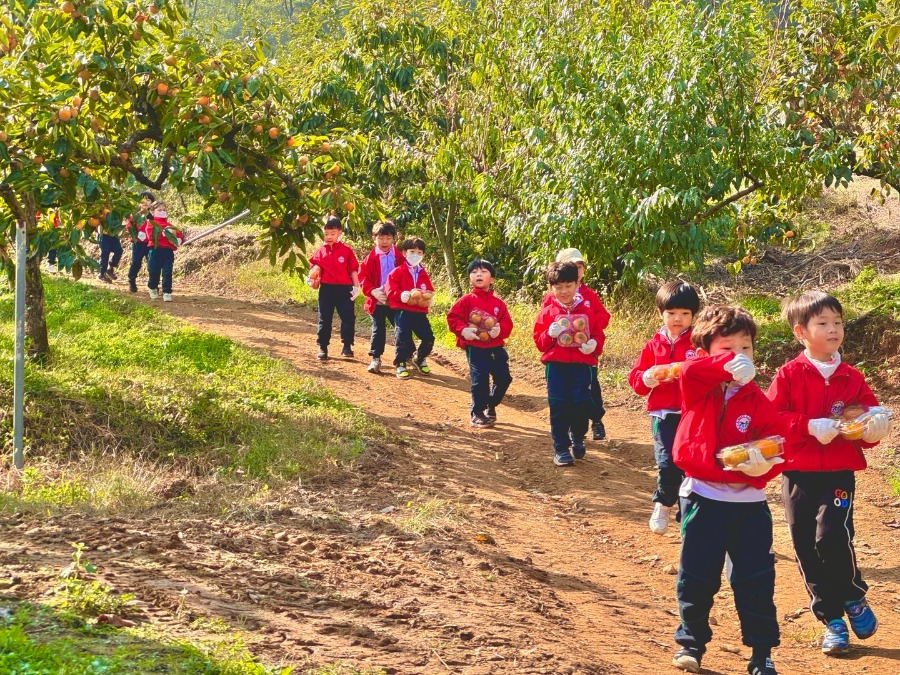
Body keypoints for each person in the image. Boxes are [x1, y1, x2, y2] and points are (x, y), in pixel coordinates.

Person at [766, 291, 891, 656]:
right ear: (800, 332)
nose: (833, 329)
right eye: (823, 323)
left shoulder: (851, 377)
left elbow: (867, 417)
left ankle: (853, 596)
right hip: (798, 473)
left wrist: (873, 426)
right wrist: (807, 425)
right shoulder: (788, 375)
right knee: (805, 544)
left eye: (837, 322)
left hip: (838, 472)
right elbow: (772, 419)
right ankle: (832, 620)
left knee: (832, 535)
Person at [669, 305, 786, 675]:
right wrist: (722, 367)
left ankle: (761, 652)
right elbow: (688, 369)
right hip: (703, 497)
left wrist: (764, 464)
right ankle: (691, 643)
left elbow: (777, 444)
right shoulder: (698, 388)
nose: (739, 357)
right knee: (697, 575)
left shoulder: (757, 399)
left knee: (755, 578)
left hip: (750, 505)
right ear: (707, 353)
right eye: (727, 349)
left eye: (746, 348)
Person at [628, 281, 701, 535]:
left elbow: (708, 373)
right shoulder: (653, 345)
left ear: (694, 316)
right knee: (667, 462)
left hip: (691, 413)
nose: (678, 319)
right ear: (660, 313)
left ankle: (686, 514)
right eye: (671, 313)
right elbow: (636, 379)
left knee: (689, 464)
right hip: (662, 413)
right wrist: (647, 377)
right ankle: (662, 502)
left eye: (684, 314)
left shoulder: (698, 345)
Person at [533, 261, 599, 466]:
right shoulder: (547, 312)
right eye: (558, 287)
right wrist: (548, 334)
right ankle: (560, 448)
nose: (563, 291)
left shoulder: (586, 311)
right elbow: (539, 342)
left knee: (581, 404)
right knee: (558, 405)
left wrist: (593, 345)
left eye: (568, 286)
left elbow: (597, 333)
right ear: (551, 288)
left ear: (576, 285)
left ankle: (577, 437)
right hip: (557, 366)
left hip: (581, 364)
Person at [542, 248, 610, 440]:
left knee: (589, 390)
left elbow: (603, 318)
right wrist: (554, 332)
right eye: (573, 265)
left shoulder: (589, 295)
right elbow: (544, 325)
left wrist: (587, 329)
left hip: (583, 354)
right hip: (560, 357)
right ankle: (566, 437)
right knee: (561, 399)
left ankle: (596, 421)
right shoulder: (551, 298)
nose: (578, 269)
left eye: (580, 266)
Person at [447, 259, 514, 427]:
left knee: (504, 378)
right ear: (470, 278)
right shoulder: (466, 300)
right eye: (475, 272)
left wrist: (500, 330)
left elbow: (507, 323)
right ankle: (477, 412)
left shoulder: (499, 304)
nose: (479, 274)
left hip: (495, 347)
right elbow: (452, 318)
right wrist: (463, 330)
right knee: (480, 379)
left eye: (484, 272)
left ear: (492, 279)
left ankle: (490, 404)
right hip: (475, 347)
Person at [307, 216, 360, 360]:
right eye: (326, 234)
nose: (329, 237)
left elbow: (353, 270)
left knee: (348, 318)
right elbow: (313, 269)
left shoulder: (347, 251)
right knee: (324, 318)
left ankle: (347, 346)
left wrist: (356, 287)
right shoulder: (320, 252)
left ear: (339, 233)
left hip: (345, 289)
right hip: (327, 289)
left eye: (333, 233)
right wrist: (310, 279)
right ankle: (323, 347)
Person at [384, 237, 435, 379]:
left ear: (423, 255)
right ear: (405, 253)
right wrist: (400, 295)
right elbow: (390, 290)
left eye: (419, 252)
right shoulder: (397, 272)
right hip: (402, 311)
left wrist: (429, 298)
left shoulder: (423, 273)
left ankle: (419, 357)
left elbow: (429, 290)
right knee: (402, 337)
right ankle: (400, 363)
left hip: (419, 312)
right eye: (412, 251)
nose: (415, 255)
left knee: (429, 337)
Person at [358, 221, 404, 373]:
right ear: (374, 238)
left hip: (395, 301)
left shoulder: (399, 257)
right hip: (377, 302)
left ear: (393, 239)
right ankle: (375, 359)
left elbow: (407, 276)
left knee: (401, 328)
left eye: (388, 238)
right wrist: (372, 291)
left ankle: (404, 357)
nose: (385, 242)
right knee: (378, 330)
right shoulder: (370, 259)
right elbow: (363, 277)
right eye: (381, 238)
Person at [140, 201, 182, 302]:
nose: (162, 212)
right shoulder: (151, 224)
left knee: (167, 271)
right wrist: (162, 234)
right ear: (153, 212)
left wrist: (179, 239)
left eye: (164, 210)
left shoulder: (169, 225)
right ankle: (152, 287)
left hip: (167, 252)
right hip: (155, 250)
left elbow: (178, 234)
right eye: (159, 210)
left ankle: (167, 292)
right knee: (154, 271)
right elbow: (150, 236)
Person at [126, 191, 156, 293]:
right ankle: (131, 280)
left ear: (152, 203)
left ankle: (153, 284)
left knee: (152, 263)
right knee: (136, 262)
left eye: (148, 200)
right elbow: (128, 226)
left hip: (150, 243)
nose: (145, 202)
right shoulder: (135, 216)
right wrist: (136, 234)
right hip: (138, 243)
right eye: (143, 200)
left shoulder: (154, 216)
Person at [97, 214, 124, 283]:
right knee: (105, 253)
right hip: (103, 235)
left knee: (118, 250)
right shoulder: (100, 211)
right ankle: (101, 274)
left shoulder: (115, 211)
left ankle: (110, 268)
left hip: (113, 235)